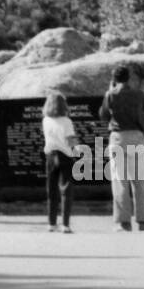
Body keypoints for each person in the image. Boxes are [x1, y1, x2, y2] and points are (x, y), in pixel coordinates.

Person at [99, 66, 144, 232]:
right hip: (137, 136)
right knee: (138, 181)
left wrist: (111, 91)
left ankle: (124, 222)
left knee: (120, 180)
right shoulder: (139, 94)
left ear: (114, 79)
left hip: (119, 137)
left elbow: (104, 115)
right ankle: (143, 221)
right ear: (129, 78)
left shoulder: (111, 95)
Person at [42, 91, 81, 233]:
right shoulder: (67, 121)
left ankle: (51, 223)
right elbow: (70, 139)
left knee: (51, 191)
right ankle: (65, 225)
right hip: (65, 155)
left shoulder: (45, 120)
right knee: (66, 190)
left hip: (50, 155)